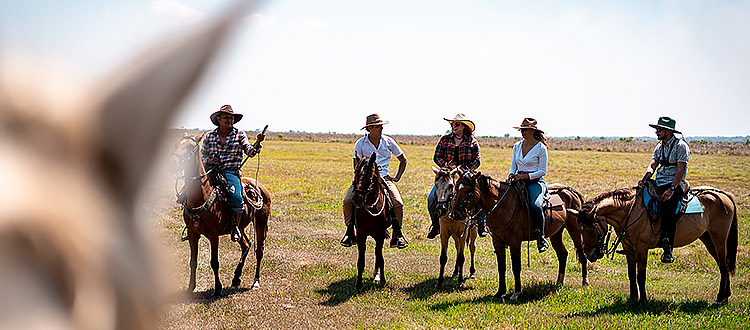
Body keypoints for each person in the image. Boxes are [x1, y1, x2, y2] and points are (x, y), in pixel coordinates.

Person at [340, 113, 409, 249]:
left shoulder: (388, 141)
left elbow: (403, 159)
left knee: (398, 203)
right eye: (378, 126)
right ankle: (349, 231)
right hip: (366, 180)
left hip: (384, 178)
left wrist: (397, 177)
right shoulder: (360, 144)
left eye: (381, 126)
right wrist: (360, 179)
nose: (381, 128)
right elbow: (356, 164)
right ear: (370, 128)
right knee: (347, 201)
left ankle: (397, 234)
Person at [201, 104, 264, 242]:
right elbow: (202, 155)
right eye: (226, 117)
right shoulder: (209, 136)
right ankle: (192, 225)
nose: (229, 120)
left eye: (231, 118)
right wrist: (209, 160)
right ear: (219, 119)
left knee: (236, 195)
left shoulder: (239, 135)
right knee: (190, 191)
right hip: (211, 171)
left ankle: (235, 227)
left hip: (230, 172)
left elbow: (249, 151)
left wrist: (257, 144)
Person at [638, 116, 690, 263]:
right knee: (640, 200)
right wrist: (645, 178)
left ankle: (668, 249)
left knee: (667, 209)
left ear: (668, 131)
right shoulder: (659, 147)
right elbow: (653, 165)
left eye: (659, 129)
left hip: (674, 184)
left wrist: (672, 189)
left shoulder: (681, 146)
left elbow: (681, 170)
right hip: (658, 183)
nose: (657, 132)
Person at [426, 113, 486, 239]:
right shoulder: (444, 139)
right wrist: (446, 166)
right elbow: (436, 157)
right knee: (431, 199)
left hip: (465, 176)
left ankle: (481, 224)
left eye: (457, 124)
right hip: (447, 176)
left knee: (479, 197)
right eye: (452, 124)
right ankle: (435, 225)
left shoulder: (472, 141)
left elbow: (477, 160)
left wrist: (465, 169)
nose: (454, 126)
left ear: (464, 126)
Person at [508, 118, 549, 253]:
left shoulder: (541, 148)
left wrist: (525, 176)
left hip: (534, 181)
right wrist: (511, 174)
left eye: (524, 130)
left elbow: (542, 171)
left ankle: (541, 237)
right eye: (522, 130)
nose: (522, 132)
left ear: (532, 131)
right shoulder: (517, 146)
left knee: (535, 206)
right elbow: (514, 164)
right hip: (518, 180)